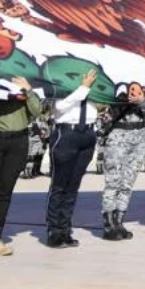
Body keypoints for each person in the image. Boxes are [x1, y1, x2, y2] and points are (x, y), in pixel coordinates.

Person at [0, 76, 45, 258]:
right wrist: (0, 94)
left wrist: (27, 90)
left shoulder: (26, 88)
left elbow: (37, 111)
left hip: (18, 141)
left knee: (5, 192)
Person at [43, 69, 100, 247]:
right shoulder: (61, 85)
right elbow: (60, 107)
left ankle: (65, 229)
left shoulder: (94, 87)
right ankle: (54, 230)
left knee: (73, 187)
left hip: (88, 134)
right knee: (59, 185)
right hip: (67, 134)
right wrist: (83, 88)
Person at [98, 82, 145, 239]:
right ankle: (109, 226)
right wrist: (122, 99)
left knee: (127, 183)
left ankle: (119, 222)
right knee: (113, 182)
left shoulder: (142, 91)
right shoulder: (116, 87)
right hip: (118, 138)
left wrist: (141, 100)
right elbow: (109, 112)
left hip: (139, 139)